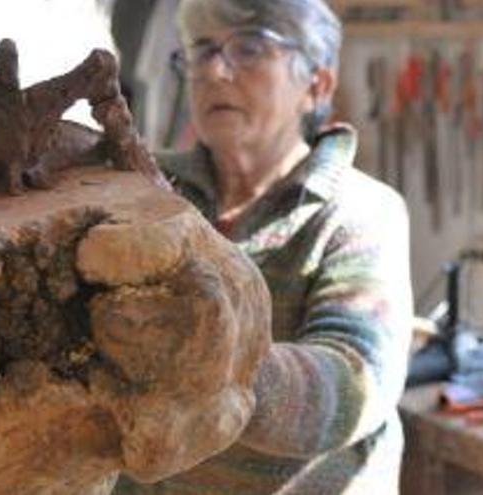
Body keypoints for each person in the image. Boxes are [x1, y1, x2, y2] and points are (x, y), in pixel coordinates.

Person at [114, 0, 414, 493]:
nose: (214, 69)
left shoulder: (360, 212)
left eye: (249, 48)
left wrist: (201, 358)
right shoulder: (147, 191)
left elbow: (353, 385)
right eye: (201, 50)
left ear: (316, 85)